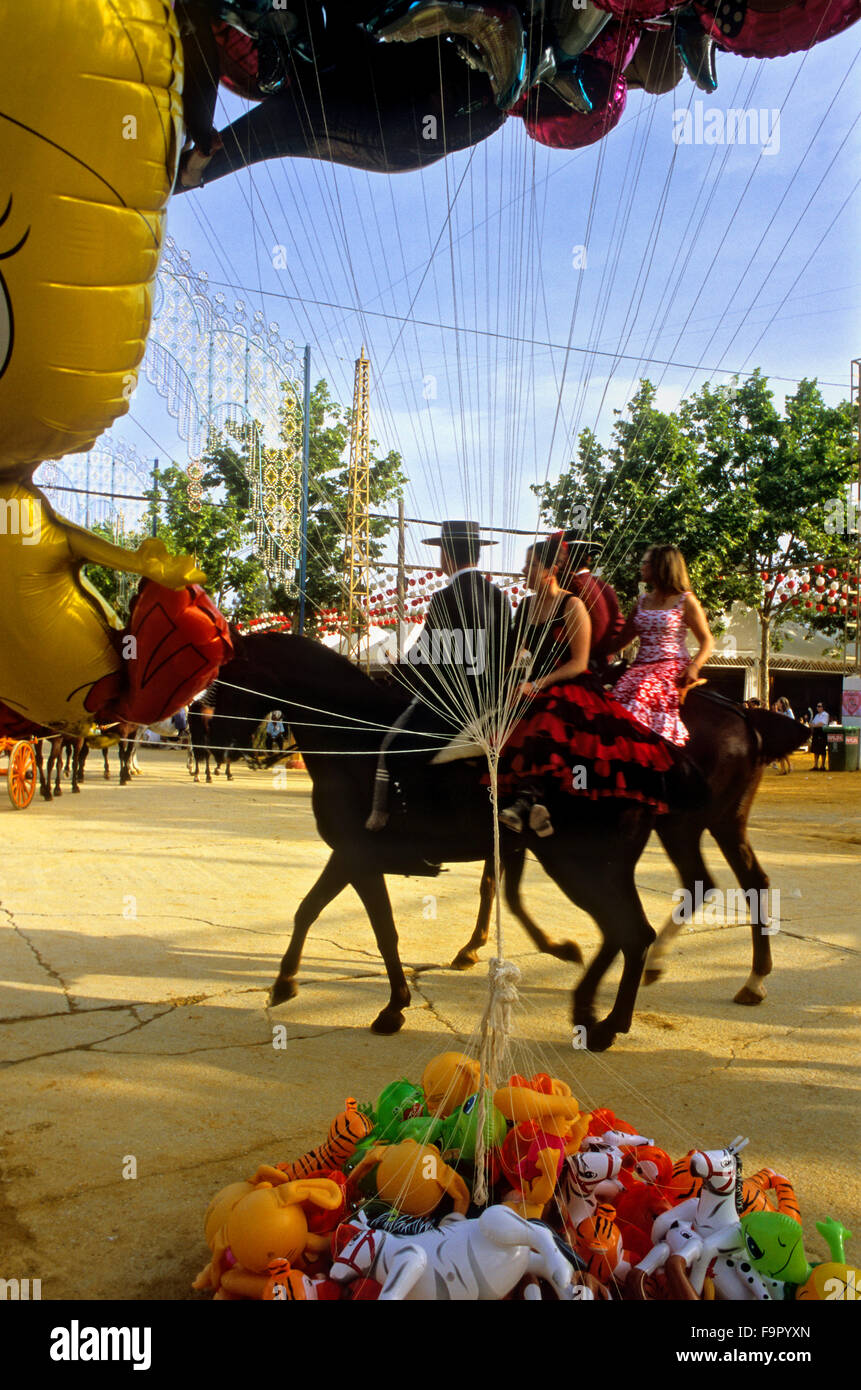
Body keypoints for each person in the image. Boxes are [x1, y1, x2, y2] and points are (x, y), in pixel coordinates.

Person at [497, 536, 704, 837]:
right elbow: (620, 634)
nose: (523, 570)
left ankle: (540, 799)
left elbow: (584, 656)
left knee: (557, 721)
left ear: (551, 569)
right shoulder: (528, 604)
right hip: (573, 673)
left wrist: (694, 666)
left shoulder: (575, 600)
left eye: (530, 565)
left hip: (576, 675)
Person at [365, 520, 513, 829]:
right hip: (492, 701)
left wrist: (396, 677)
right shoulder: (500, 597)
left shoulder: (446, 597)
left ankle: (417, 824)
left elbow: (426, 653)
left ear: (446, 555)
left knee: (393, 751)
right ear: (476, 554)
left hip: (450, 705)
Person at [609, 545, 714, 746]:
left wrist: (694, 666)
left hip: (671, 665)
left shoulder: (686, 600)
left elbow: (707, 641)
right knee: (616, 696)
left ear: (661, 566)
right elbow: (622, 640)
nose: (642, 566)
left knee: (643, 690)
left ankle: (651, 752)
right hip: (640, 667)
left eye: (646, 562)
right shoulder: (641, 602)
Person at [810, 702, 830, 770]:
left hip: (822, 732)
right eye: (817, 706)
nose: (817, 707)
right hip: (816, 732)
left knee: (822, 749)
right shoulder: (817, 715)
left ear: (822, 707)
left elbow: (822, 723)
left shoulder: (825, 715)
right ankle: (815, 765)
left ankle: (822, 765)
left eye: (819, 706)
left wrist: (813, 725)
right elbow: (813, 722)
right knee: (815, 749)